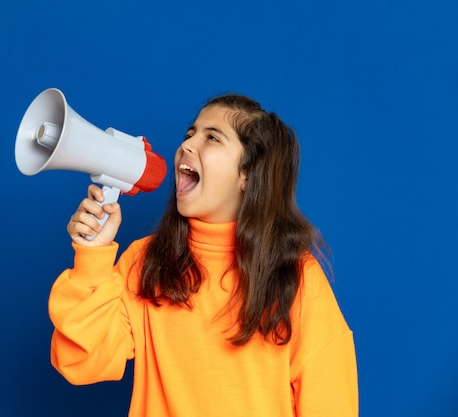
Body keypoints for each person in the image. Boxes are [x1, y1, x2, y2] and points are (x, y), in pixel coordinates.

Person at [48, 93, 358, 416]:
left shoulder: (297, 278)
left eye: (212, 137)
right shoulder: (146, 263)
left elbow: (330, 402)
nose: (188, 145)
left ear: (247, 175)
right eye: (190, 134)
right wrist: (91, 258)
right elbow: (80, 361)